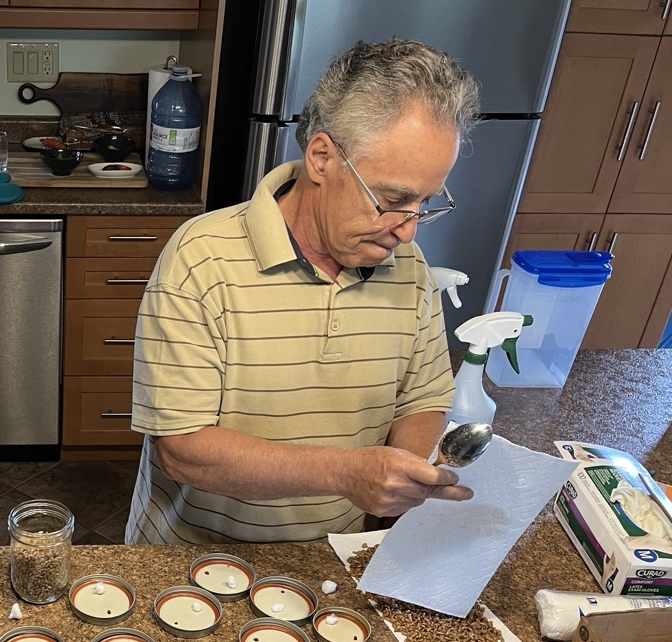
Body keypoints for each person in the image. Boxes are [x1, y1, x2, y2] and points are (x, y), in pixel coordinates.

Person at [126, 39, 481, 545]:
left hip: (335, 560)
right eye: (394, 199)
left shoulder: (409, 269)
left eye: (426, 201)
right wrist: (344, 474)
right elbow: (182, 449)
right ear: (321, 158)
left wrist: (406, 482)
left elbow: (421, 401)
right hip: (195, 563)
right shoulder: (200, 258)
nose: (408, 230)